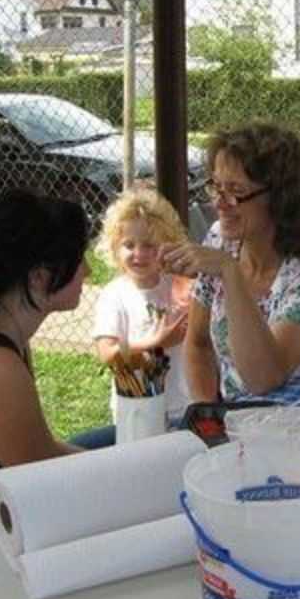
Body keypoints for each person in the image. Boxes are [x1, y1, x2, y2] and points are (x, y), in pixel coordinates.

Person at [159, 121, 300, 405]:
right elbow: (198, 344)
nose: (219, 203)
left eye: (235, 191)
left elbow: (264, 378)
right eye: (216, 187)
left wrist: (230, 273)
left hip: (295, 428)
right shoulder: (221, 239)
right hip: (234, 422)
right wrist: (205, 414)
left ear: (280, 197)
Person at [0, 190, 90, 535]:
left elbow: (40, 447)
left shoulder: (5, 335)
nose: (87, 270)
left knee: (120, 445)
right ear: (40, 277)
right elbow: (38, 474)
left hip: (5, 492)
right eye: (79, 259)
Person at [87, 188, 192, 445]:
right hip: (137, 408)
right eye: (129, 245)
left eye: (149, 245)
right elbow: (107, 353)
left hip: (181, 404)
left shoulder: (178, 287)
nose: (139, 254)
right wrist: (156, 343)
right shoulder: (115, 295)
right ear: (114, 247)